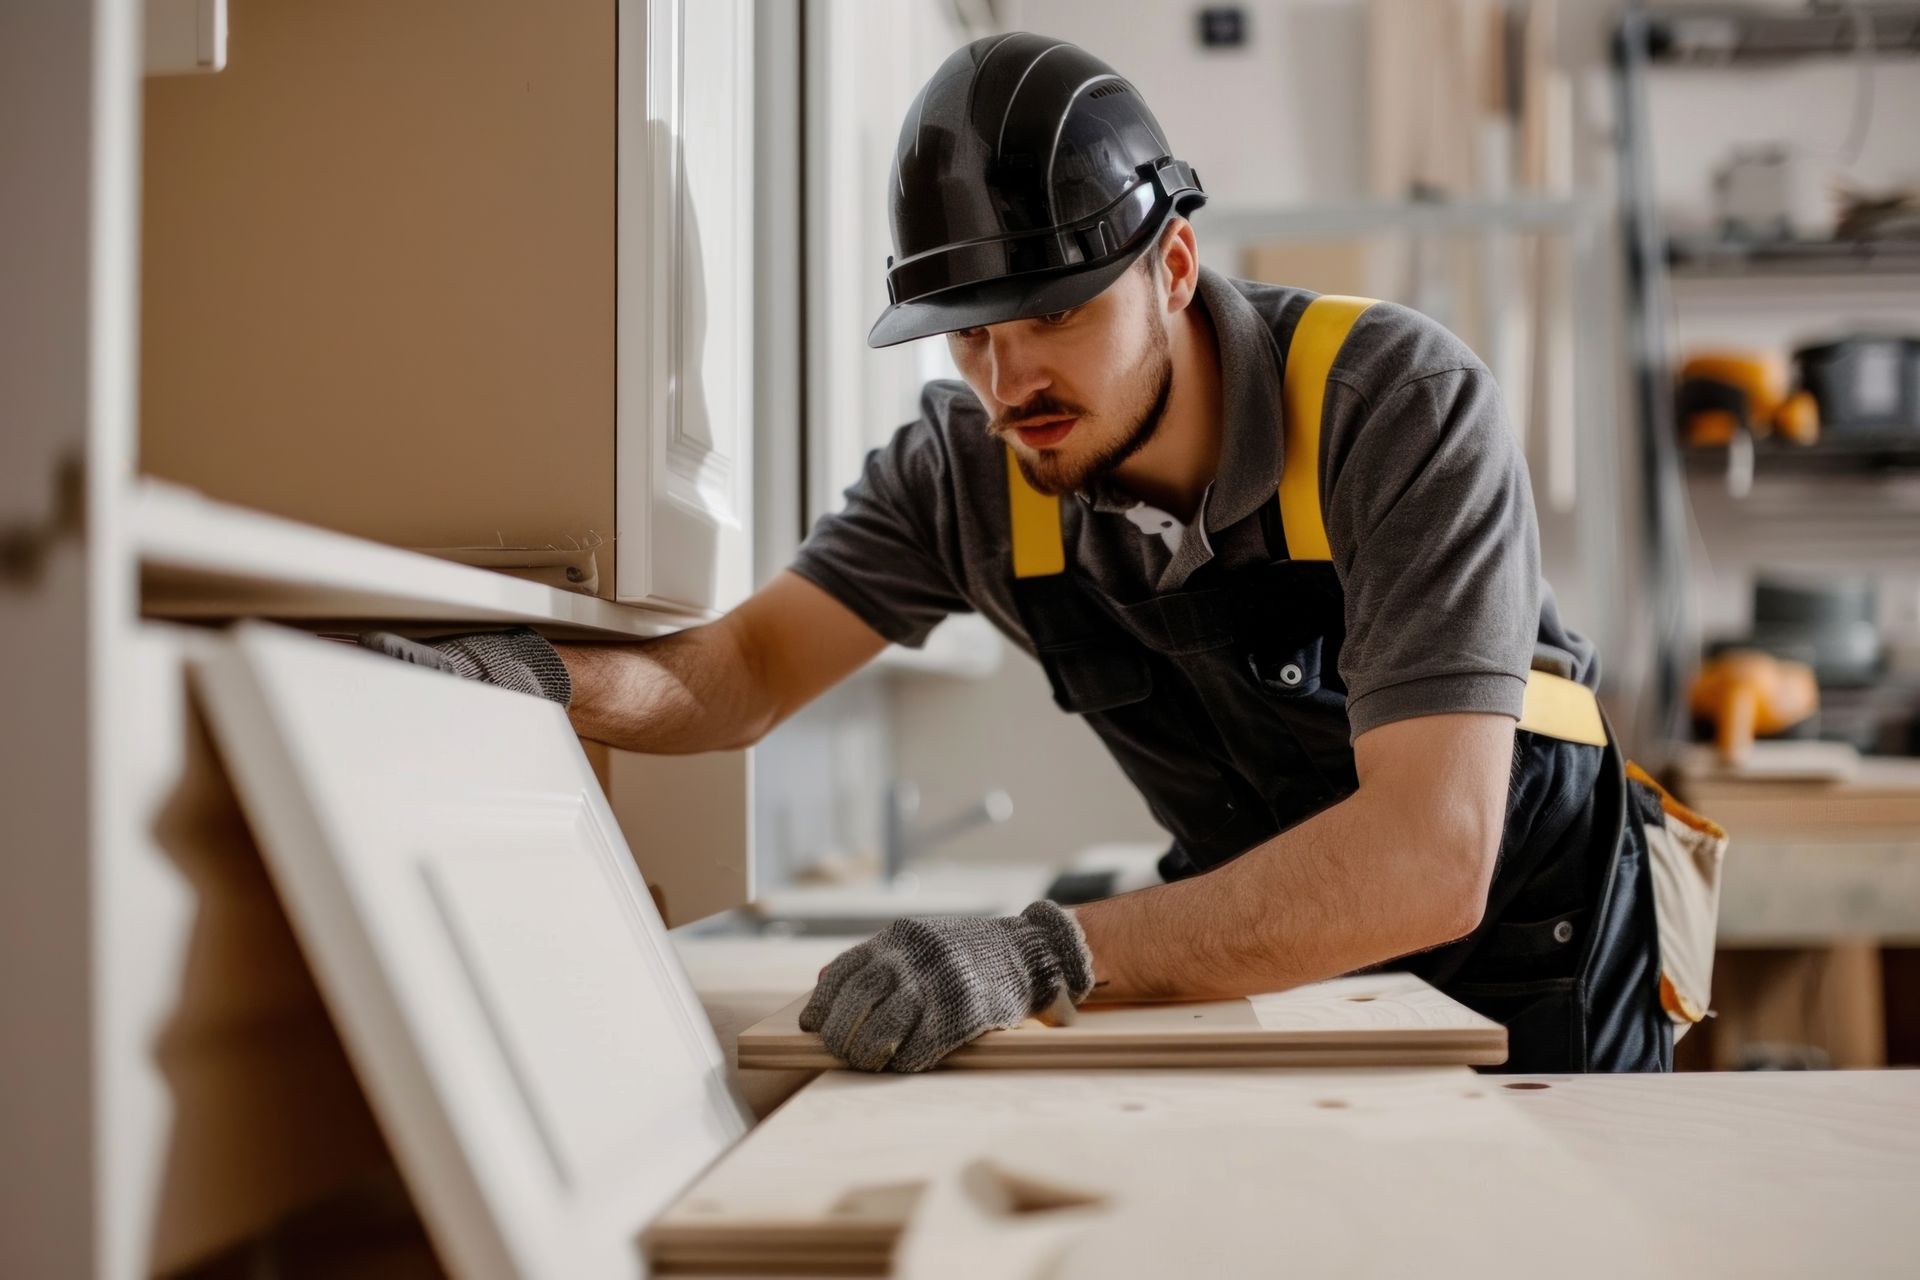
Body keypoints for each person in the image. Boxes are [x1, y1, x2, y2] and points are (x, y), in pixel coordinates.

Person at [367, 33, 1683, 1074]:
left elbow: (1426, 857)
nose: (1009, 381)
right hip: (1284, 984)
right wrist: (540, 675)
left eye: (1050, 313)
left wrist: (1038, 955)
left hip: (1537, 984)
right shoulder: (973, 475)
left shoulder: (1389, 403)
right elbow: (745, 668)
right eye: (967, 331)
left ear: (1172, 266)